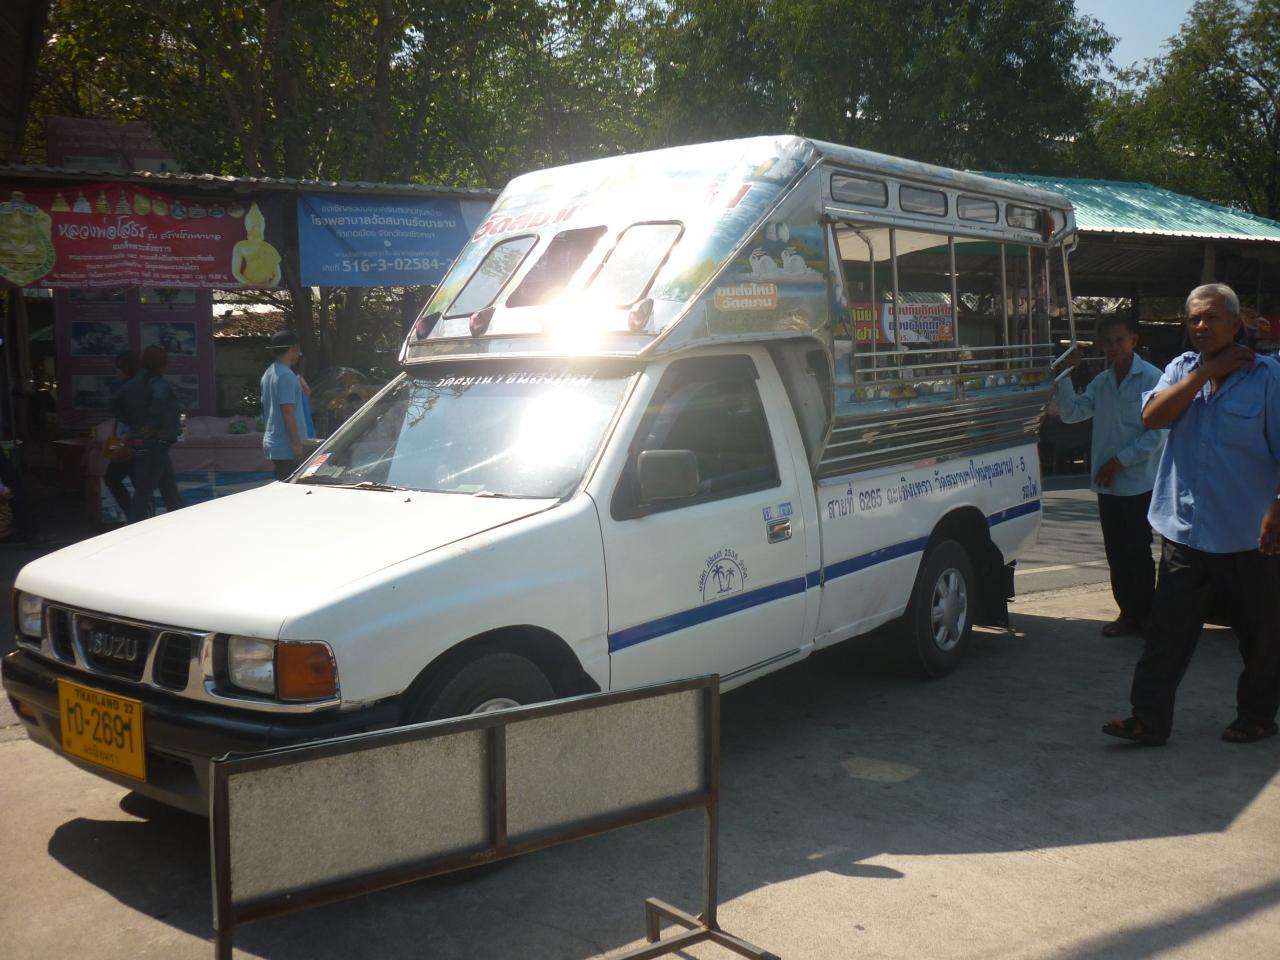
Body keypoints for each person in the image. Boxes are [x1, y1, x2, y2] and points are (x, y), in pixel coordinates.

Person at [1103, 283, 1280, 747]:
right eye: (1194, 319)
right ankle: (1148, 720)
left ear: (1236, 323)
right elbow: (1153, 418)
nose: (1202, 326)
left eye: (1212, 317)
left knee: (1261, 637)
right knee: (1166, 636)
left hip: (1249, 537)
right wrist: (1206, 373)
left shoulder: (1267, 378)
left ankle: (1257, 716)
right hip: (1184, 532)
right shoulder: (1181, 370)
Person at [1055, 318, 1167, 636]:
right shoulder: (1102, 382)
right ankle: (1128, 614)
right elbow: (1072, 413)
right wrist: (1064, 374)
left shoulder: (1153, 378)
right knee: (1116, 553)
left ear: (1133, 339)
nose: (1114, 346)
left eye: (1120, 339)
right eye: (1108, 341)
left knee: (1137, 551)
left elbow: (1158, 433)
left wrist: (1120, 461)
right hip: (1108, 484)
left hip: (1139, 481)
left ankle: (1146, 615)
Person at [122, 346, 185, 522]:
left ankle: (180, 524)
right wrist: (154, 427)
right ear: (162, 364)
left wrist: (135, 429)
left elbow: (119, 404)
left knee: (168, 491)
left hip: (150, 442)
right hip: (156, 442)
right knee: (145, 494)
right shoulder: (158, 383)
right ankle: (134, 528)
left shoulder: (134, 383)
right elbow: (160, 406)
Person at [261, 330, 305, 479]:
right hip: (287, 445)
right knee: (292, 486)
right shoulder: (287, 376)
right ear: (294, 348)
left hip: (275, 442)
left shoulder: (269, 373)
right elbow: (287, 412)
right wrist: (297, 445)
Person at [103, 350, 139, 519]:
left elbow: (133, 419)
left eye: (119, 367)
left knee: (112, 479)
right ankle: (136, 517)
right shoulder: (126, 386)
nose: (116, 370)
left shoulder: (130, 388)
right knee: (139, 485)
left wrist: (124, 440)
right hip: (126, 439)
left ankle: (135, 517)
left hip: (129, 441)